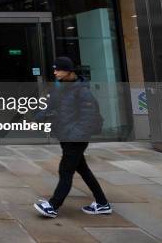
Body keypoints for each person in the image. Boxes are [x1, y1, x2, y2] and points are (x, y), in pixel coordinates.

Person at [33, 56, 111, 218]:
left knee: (65, 170)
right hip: (65, 135)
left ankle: (53, 206)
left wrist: (74, 136)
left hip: (75, 138)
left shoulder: (82, 91)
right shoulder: (60, 88)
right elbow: (51, 107)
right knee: (83, 170)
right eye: (54, 69)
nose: (54, 72)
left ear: (68, 71)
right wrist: (41, 115)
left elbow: (88, 118)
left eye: (58, 69)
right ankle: (102, 203)